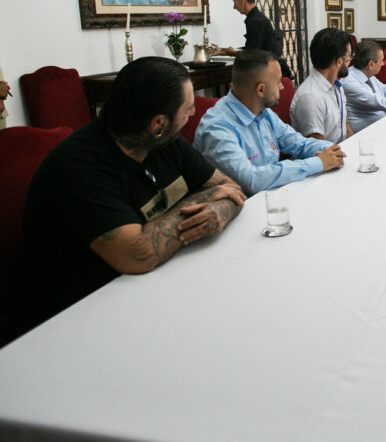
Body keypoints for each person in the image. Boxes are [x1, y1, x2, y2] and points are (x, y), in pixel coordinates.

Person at [12, 57, 245, 341]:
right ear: (158, 123)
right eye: (188, 108)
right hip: (76, 319)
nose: (194, 112)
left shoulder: (164, 141)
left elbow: (229, 188)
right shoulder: (79, 166)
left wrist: (220, 210)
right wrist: (207, 199)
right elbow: (138, 254)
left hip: (157, 288)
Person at [193, 49, 345, 195]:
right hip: (245, 206)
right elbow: (251, 180)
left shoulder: (263, 112)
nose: (282, 86)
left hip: (274, 195)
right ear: (261, 89)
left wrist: (331, 150)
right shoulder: (218, 127)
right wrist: (318, 163)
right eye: (278, 82)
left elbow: (298, 143)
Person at [290, 27, 354, 143]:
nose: (350, 60)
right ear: (339, 61)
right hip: (326, 153)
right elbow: (319, 147)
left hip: (340, 149)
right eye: (349, 56)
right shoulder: (311, 97)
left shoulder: (336, 86)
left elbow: (345, 128)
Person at [217, 0, 291, 78]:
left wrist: (231, 53)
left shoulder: (255, 21)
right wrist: (222, 51)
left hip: (270, 72)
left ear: (242, 0)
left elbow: (251, 54)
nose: (234, 7)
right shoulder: (257, 17)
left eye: (234, 2)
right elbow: (252, 47)